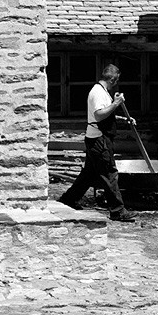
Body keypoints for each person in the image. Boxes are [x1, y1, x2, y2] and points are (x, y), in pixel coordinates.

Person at [59, 64, 137, 222]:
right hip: (99, 140)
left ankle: (68, 199)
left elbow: (105, 113)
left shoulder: (103, 92)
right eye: (117, 80)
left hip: (96, 139)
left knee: (89, 174)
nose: (117, 83)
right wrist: (117, 103)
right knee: (110, 174)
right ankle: (118, 211)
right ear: (113, 79)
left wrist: (124, 119)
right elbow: (99, 115)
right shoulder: (97, 92)